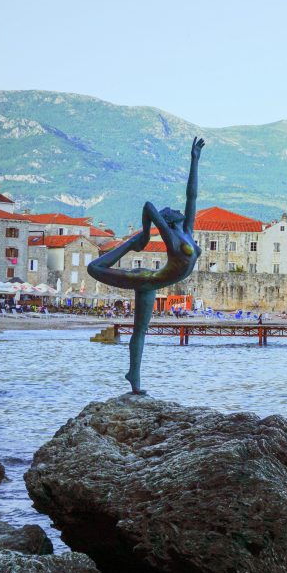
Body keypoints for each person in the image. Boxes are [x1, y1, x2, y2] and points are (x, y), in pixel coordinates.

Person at [88, 137, 205, 393]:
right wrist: (143, 236)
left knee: (140, 331)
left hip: (152, 282)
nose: (178, 209)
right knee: (93, 269)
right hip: (145, 279)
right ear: (169, 219)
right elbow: (149, 207)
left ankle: (134, 377)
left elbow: (192, 196)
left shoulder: (187, 231)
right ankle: (131, 244)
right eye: (172, 210)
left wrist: (195, 159)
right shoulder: (171, 237)